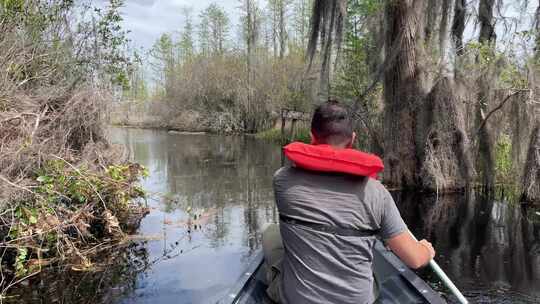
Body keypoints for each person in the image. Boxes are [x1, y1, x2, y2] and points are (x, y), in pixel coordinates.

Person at [262, 100, 436, 304]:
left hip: (296, 299)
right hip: (358, 300)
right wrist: (426, 249)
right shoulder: (376, 193)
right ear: (353, 139)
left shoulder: (282, 180)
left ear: (311, 137)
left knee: (271, 232)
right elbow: (415, 259)